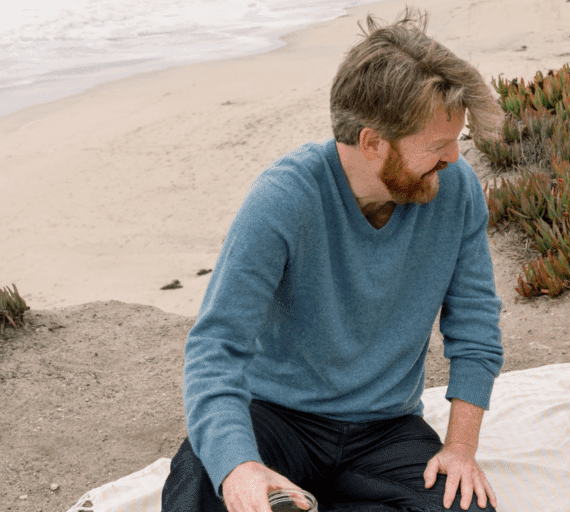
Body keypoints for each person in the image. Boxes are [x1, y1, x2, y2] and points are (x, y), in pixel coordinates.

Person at [161, 10, 505, 512]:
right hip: (279, 419)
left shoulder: (457, 191)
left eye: (458, 139)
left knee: (468, 507)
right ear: (372, 142)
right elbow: (215, 347)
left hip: (387, 430)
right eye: (438, 145)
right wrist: (240, 468)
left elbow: (475, 327)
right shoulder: (282, 199)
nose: (455, 157)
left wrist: (459, 449)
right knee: (201, 478)